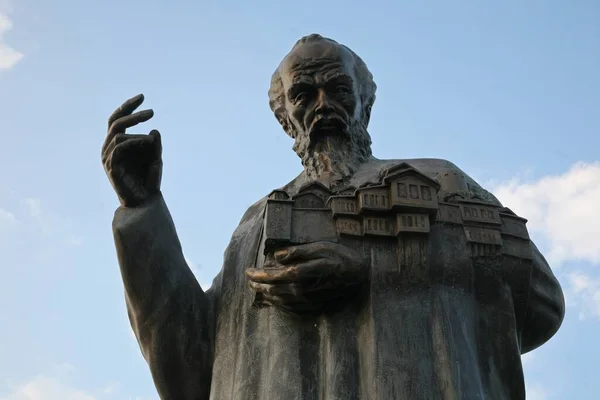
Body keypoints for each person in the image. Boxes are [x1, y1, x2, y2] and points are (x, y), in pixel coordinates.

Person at [101, 34, 565, 400]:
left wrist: (375, 273)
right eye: (304, 94)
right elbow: (194, 368)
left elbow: (540, 298)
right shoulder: (256, 225)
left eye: (338, 89)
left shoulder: (439, 182)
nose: (323, 105)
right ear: (286, 119)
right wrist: (142, 213)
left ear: (365, 102)